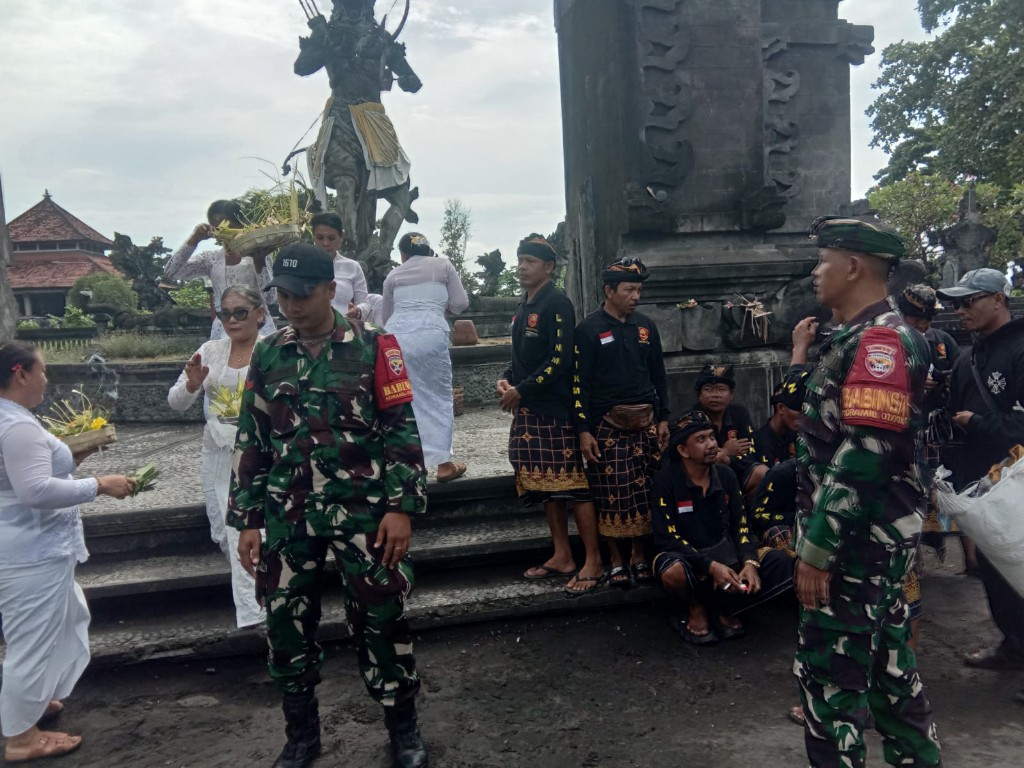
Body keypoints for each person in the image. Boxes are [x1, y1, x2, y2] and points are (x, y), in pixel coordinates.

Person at [228, 243, 429, 768]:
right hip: (288, 512)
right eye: (283, 297)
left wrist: (401, 506)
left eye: (302, 295)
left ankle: (403, 729)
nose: (291, 306)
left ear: (330, 290)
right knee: (286, 623)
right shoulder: (270, 354)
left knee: (382, 615)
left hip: (364, 512)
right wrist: (248, 520)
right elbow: (251, 439)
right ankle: (301, 736)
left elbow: (401, 430)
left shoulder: (375, 347)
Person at [794, 216, 941, 767]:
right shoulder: (865, 337)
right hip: (873, 548)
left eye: (823, 260)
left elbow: (864, 456)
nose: (816, 272)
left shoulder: (881, 342)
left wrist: (816, 550)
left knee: (832, 689)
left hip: (855, 549)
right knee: (891, 678)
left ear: (853, 266)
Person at [0, 341, 134, 762]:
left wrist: (74, 453)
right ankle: (22, 738)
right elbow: (35, 490)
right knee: (32, 640)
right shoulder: (17, 425)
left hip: (27, 546)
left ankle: (33, 701)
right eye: (42, 370)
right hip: (31, 551)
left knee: (66, 618)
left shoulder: (12, 419)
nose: (46, 378)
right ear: (20, 373)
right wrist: (99, 485)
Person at [499, 234, 604, 595]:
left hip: (556, 410)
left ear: (549, 268)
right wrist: (507, 379)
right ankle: (562, 554)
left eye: (530, 261)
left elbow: (559, 361)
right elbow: (521, 358)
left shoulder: (557, 303)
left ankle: (593, 558)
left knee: (574, 486)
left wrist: (522, 389)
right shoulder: (523, 304)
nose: (522, 267)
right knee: (546, 487)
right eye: (520, 260)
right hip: (529, 408)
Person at [937, 268, 1024, 700]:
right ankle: (1015, 645)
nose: (960, 309)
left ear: (998, 300)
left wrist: (979, 423)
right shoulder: (967, 357)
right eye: (957, 302)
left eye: (969, 300)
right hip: (982, 487)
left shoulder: (1020, 348)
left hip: (1018, 481)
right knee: (996, 570)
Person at [167, 285, 267, 629]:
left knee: (248, 531)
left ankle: (256, 614)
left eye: (240, 312)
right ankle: (258, 600)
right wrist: (192, 384)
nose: (232, 320)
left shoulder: (272, 350)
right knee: (225, 532)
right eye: (225, 314)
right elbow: (176, 402)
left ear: (259, 314)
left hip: (260, 455)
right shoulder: (209, 350)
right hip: (217, 453)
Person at [652, 411, 794, 646]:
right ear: (683, 451)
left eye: (711, 437)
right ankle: (695, 608)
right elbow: (666, 537)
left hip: (726, 555)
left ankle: (723, 609)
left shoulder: (726, 475)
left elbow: (741, 525)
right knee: (672, 571)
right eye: (701, 440)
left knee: (782, 563)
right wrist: (710, 566)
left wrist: (749, 563)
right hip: (689, 558)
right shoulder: (666, 480)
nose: (711, 445)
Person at [574, 256, 670, 587]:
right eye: (629, 289)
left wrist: (664, 418)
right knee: (609, 491)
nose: (636, 296)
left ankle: (639, 555)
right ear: (609, 290)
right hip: (606, 423)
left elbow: (659, 374)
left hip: (644, 422)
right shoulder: (588, 329)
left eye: (639, 289)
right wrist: (584, 430)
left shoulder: (645, 327)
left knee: (643, 490)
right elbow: (580, 385)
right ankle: (615, 558)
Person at [382, 232, 470, 482]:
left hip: (396, 339)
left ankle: (405, 462)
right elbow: (461, 303)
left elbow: (385, 317)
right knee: (437, 396)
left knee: (401, 397)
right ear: (428, 251)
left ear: (403, 255)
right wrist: (443, 308)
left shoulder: (393, 275)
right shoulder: (443, 264)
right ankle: (443, 465)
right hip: (431, 335)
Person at [164, 199, 277, 340]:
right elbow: (171, 271)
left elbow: (271, 297)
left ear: (241, 224)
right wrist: (195, 238)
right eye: (218, 228)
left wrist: (259, 261)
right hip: (224, 331)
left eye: (228, 226)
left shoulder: (258, 254)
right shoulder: (211, 259)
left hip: (259, 329)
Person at [693, 364, 767, 497]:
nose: (715, 395)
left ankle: (751, 516)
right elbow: (691, 459)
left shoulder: (739, 414)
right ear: (700, 395)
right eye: (708, 389)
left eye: (721, 389)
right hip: (702, 477)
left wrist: (728, 458)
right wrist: (726, 451)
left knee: (762, 473)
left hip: (734, 472)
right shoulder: (691, 418)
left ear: (731, 394)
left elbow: (751, 455)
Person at [309, 211, 371, 320]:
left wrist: (357, 310)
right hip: (310, 328)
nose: (326, 243)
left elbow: (364, 302)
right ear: (313, 237)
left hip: (344, 329)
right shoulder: (302, 265)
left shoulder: (352, 267)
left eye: (331, 238)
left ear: (341, 237)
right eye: (320, 238)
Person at [754, 374, 807, 468]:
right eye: (797, 408)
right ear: (780, 408)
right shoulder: (762, 441)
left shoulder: (795, 434)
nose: (802, 414)